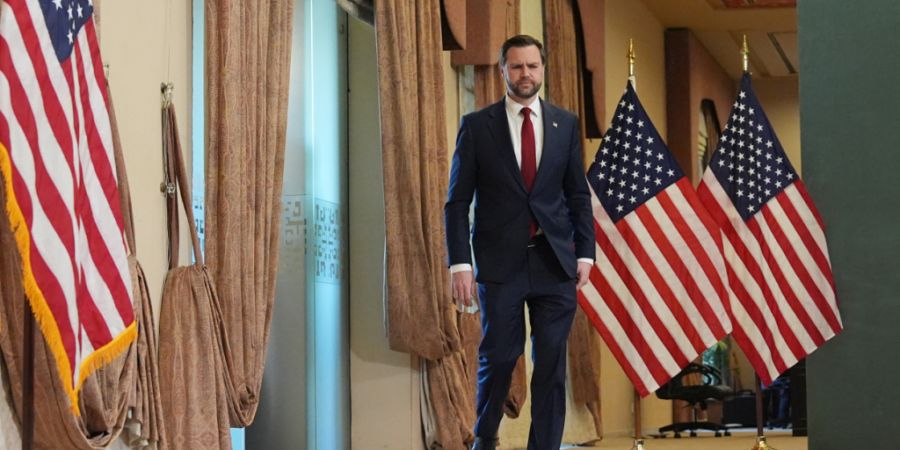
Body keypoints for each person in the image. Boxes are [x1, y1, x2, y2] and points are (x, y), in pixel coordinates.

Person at [444, 34, 595, 450]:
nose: (525, 74)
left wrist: (586, 253)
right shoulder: (477, 127)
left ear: (542, 69)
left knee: (551, 363)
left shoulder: (565, 125)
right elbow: (456, 202)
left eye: (532, 66)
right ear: (503, 71)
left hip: (555, 262)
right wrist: (460, 264)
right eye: (516, 66)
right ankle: (485, 435)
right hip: (500, 264)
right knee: (501, 356)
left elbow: (577, 195)